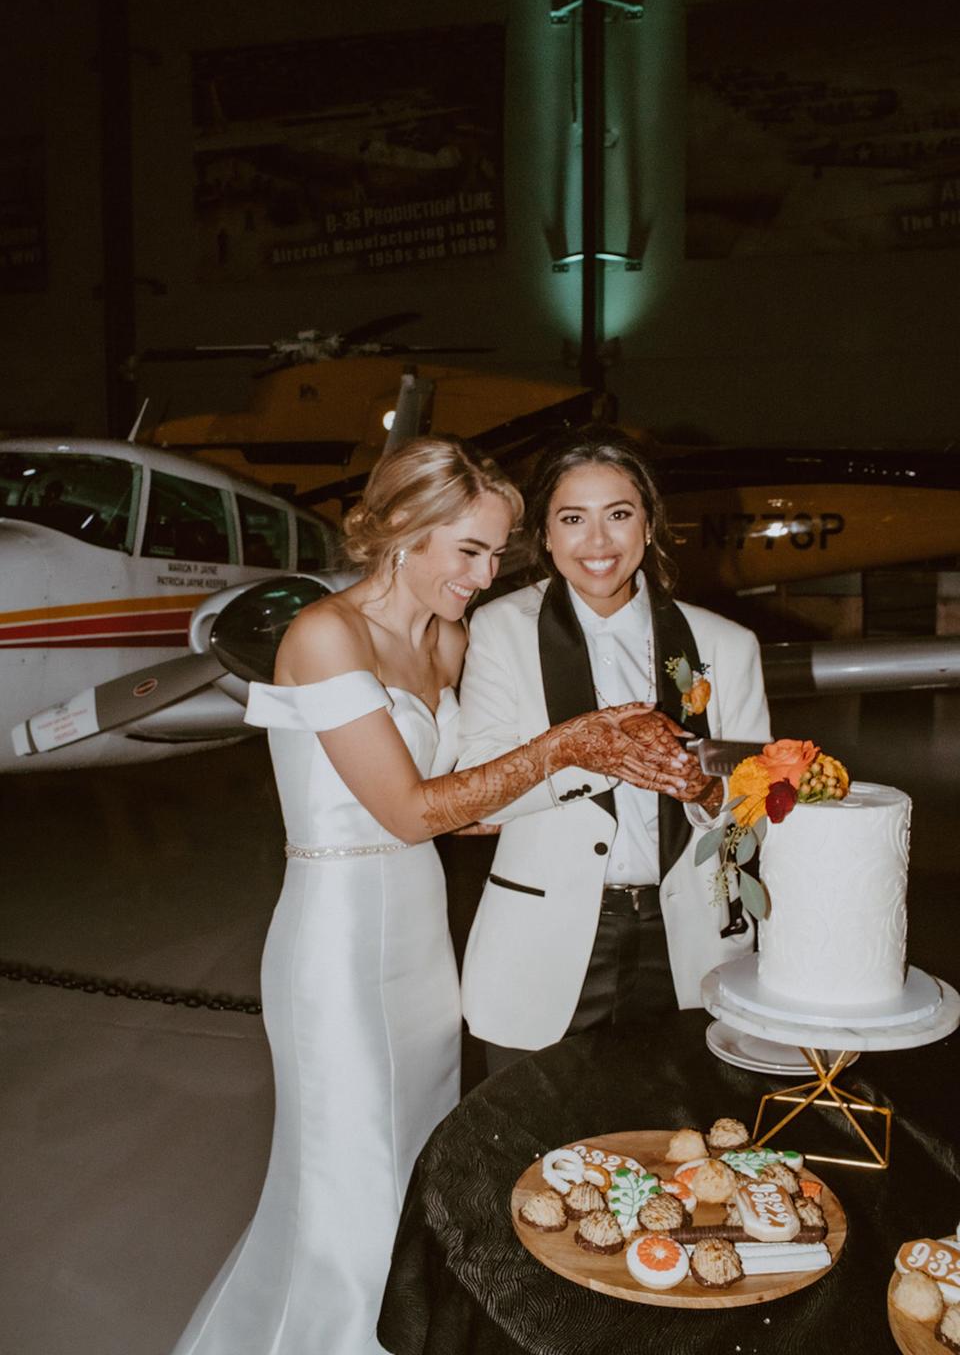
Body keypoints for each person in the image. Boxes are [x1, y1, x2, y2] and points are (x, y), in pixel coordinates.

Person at [168, 436, 691, 1355]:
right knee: (351, 1173)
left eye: (497, 553)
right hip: (336, 937)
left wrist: (587, 786)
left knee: (416, 1160)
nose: (487, 576)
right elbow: (409, 811)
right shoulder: (324, 635)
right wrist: (566, 746)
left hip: (420, 937)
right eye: (470, 551)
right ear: (402, 533)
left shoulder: (445, 639)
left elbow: (462, 812)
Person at [456, 424, 772, 1073]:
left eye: (619, 515)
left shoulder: (727, 645)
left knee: (675, 1147)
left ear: (649, 525)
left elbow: (761, 801)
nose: (597, 542)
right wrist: (577, 751)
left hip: (687, 939)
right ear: (544, 533)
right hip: (546, 941)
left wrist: (707, 789)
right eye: (573, 518)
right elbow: (475, 787)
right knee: (529, 1146)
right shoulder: (500, 630)